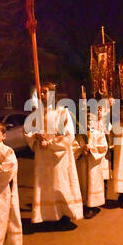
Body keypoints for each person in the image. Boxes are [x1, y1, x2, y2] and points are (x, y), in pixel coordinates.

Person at [24, 82, 83, 225]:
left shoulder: (62, 112)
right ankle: (47, 215)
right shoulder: (36, 114)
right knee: (45, 186)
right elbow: (28, 131)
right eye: (40, 93)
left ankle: (64, 215)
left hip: (58, 156)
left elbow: (69, 135)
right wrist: (36, 137)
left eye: (44, 92)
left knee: (59, 184)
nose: (42, 95)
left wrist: (51, 142)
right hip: (43, 156)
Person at [73, 112, 108, 219]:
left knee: (93, 183)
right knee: (83, 182)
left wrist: (91, 148)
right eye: (87, 119)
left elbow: (103, 147)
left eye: (91, 119)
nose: (89, 121)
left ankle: (92, 206)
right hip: (83, 163)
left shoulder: (98, 133)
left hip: (94, 164)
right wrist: (81, 149)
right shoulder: (80, 134)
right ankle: (84, 204)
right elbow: (74, 146)